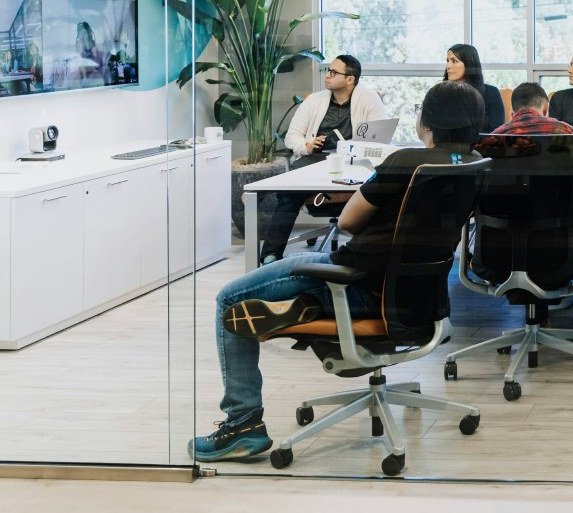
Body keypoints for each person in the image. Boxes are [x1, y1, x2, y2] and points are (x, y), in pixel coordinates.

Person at [190, 81, 485, 462]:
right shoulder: (475, 164)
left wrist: (362, 199)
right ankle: (308, 300)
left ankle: (243, 424)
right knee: (292, 287)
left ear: (428, 121)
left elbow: (347, 221)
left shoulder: (405, 161)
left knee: (229, 299)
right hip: (419, 298)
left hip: (357, 281)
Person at [262, 55, 389, 263]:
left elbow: (380, 137)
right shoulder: (314, 101)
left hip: (354, 163)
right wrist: (307, 145)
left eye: (334, 72)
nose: (327, 75)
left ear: (350, 79)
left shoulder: (369, 99)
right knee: (289, 190)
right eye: (328, 70)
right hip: (316, 160)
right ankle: (270, 253)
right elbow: (292, 137)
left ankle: (370, 253)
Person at [492, 81, 573, 206]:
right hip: (559, 221)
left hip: (505, 222)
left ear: (512, 115)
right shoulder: (565, 132)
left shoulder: (496, 137)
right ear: (546, 109)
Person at [444, 44, 506, 132]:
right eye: (447, 61)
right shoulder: (440, 93)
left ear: (469, 64)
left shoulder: (491, 92)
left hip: (481, 145)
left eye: (454, 61)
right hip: (448, 145)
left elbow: (497, 129)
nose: (448, 66)